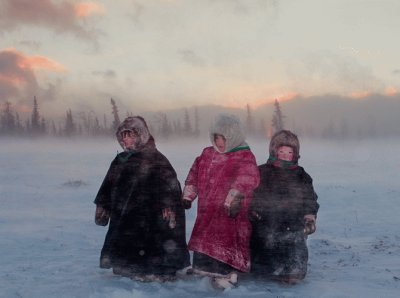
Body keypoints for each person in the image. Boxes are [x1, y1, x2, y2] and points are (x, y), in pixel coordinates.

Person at [94, 116, 190, 282]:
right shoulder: (120, 160)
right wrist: (103, 205)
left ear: (141, 135)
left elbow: (169, 185)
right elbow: (108, 184)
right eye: (123, 136)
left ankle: (156, 269)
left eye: (130, 135)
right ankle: (127, 265)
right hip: (124, 212)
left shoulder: (155, 159)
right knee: (126, 239)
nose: (126, 140)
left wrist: (168, 205)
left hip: (149, 213)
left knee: (151, 242)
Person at [181, 113, 260, 290]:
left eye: (223, 138)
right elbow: (194, 174)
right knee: (205, 238)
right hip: (207, 209)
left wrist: (233, 198)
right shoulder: (207, 154)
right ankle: (203, 268)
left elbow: (247, 178)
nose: (219, 142)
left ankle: (227, 273)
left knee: (226, 241)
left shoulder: (244, 155)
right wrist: (188, 195)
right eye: (216, 137)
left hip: (230, 213)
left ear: (233, 137)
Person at [249, 130, 319, 284]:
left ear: (295, 154)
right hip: (266, 218)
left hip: (293, 220)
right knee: (266, 241)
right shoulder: (262, 171)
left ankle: (292, 271)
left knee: (293, 243)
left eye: (289, 151)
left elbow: (309, 197)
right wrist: (254, 211)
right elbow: (253, 194)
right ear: (274, 151)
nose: (286, 155)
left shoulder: (301, 175)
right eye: (281, 151)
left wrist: (309, 216)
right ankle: (264, 269)